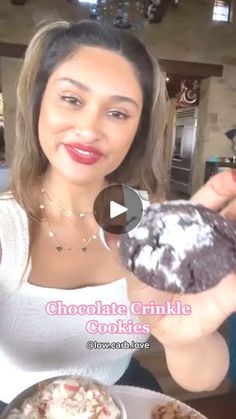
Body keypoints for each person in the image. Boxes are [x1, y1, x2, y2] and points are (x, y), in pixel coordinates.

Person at [1, 18, 236, 413]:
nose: (90, 129)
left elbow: (205, 378)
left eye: (118, 113)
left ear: (138, 131)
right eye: (72, 100)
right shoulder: (5, 226)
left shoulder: (152, 225)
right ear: (38, 102)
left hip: (119, 399)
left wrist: (180, 335)